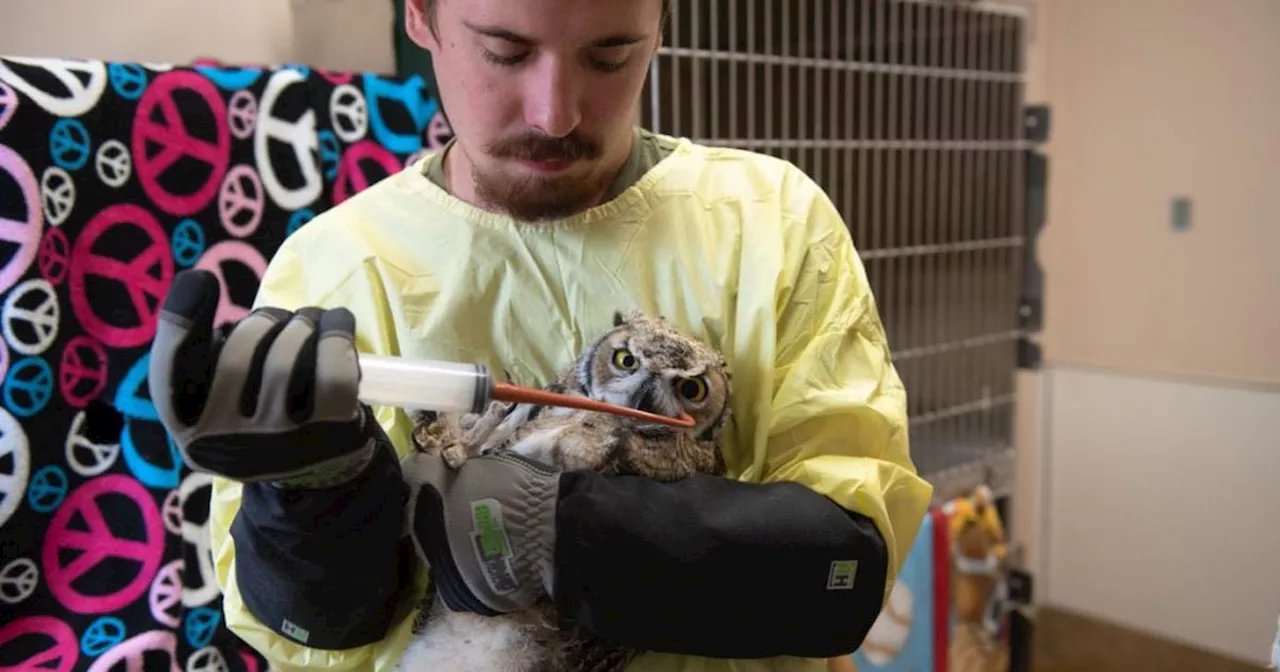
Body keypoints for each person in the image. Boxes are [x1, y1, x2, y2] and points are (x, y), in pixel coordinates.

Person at [146, 0, 934, 670]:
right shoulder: (338, 268)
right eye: (505, 51)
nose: (556, 113)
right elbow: (319, 637)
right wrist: (309, 502)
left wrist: (566, 533)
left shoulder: (770, 225)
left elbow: (841, 572)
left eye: (611, 54)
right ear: (419, 12)